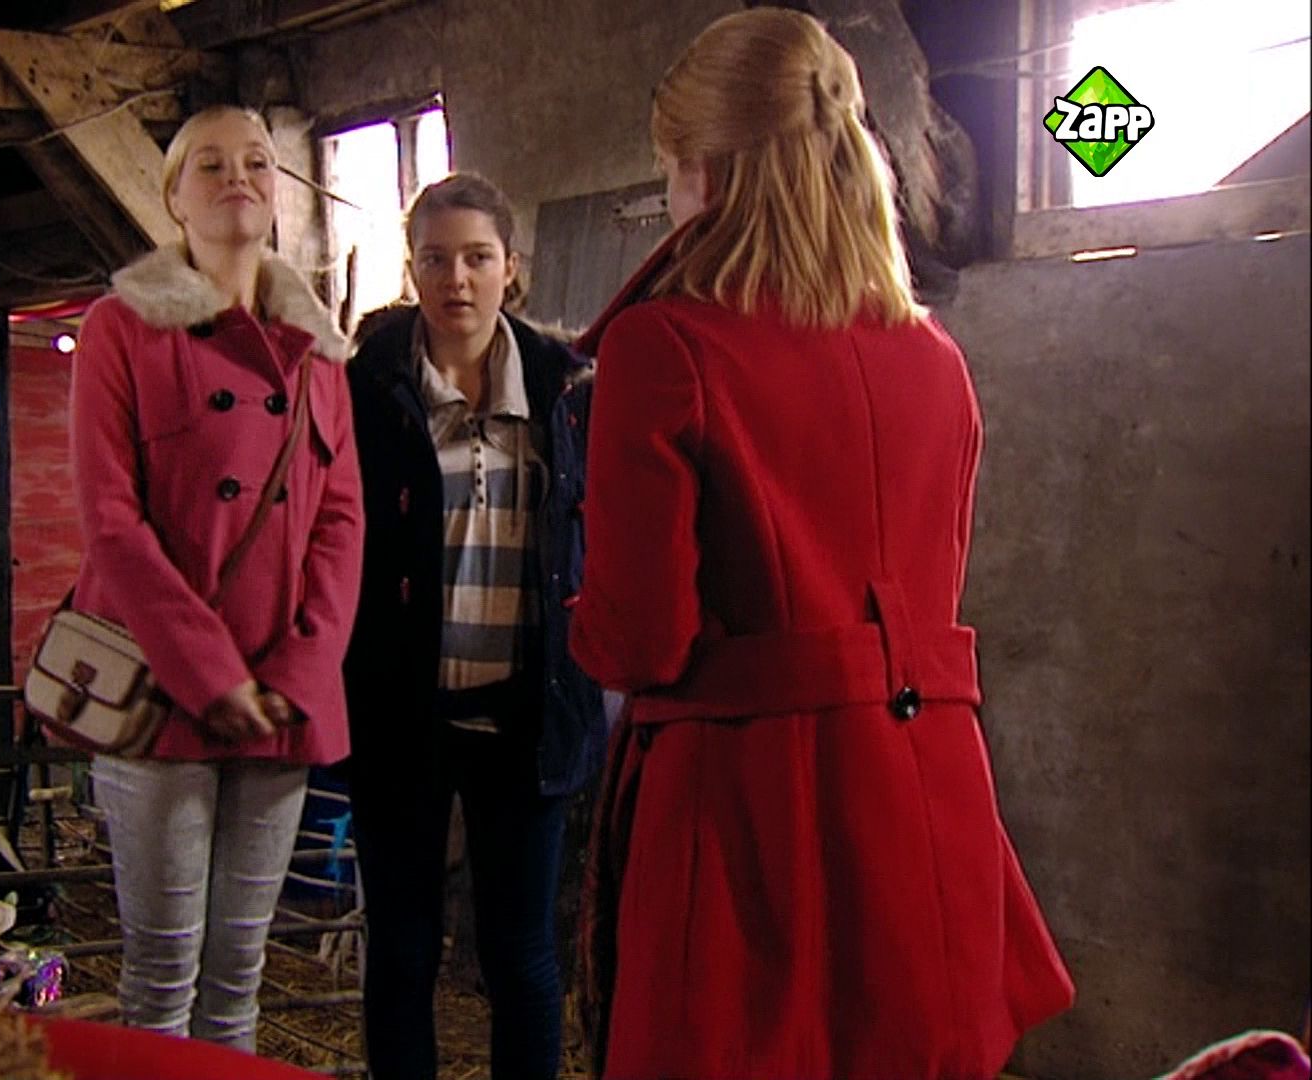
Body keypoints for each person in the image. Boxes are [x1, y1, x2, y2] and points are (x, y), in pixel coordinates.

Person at [569, 10, 1075, 1079]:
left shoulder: (667, 346)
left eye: (669, 168)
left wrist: (580, 622)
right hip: (924, 793)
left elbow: (642, 640)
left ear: (704, 170)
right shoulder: (934, 356)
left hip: (745, 803)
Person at [67, 104, 365, 1054]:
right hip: (163, 693)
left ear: (279, 193)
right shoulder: (121, 330)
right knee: (160, 979)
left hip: (277, 699)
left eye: (258, 163)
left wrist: (299, 672)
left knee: (240, 976)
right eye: (210, 164)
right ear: (173, 199)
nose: (238, 177)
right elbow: (110, 520)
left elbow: (341, 521)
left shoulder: (320, 352)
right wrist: (211, 675)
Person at [342, 173, 605, 1080]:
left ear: (511, 267)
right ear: (412, 269)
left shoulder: (567, 391)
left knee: (520, 953)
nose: (456, 278)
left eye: (477, 257)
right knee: (404, 946)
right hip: (400, 708)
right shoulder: (368, 392)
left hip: (527, 709)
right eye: (436, 259)